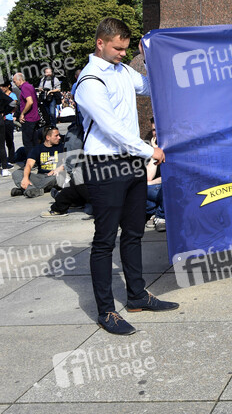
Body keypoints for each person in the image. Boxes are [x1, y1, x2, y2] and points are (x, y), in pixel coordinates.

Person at [74, 17, 178, 335]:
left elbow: (149, 87)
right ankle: (106, 311)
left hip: (131, 163)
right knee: (104, 241)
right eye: (117, 49)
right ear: (100, 43)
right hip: (105, 165)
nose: (122, 54)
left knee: (133, 233)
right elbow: (112, 129)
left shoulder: (121, 71)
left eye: (125, 49)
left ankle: (136, 296)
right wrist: (150, 151)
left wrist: (151, 57)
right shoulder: (90, 81)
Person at [12, 126, 63, 198]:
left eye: (59, 135)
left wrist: (57, 169)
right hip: (40, 177)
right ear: (48, 137)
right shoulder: (37, 149)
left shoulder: (62, 147)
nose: (59, 137)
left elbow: (67, 163)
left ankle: (25, 189)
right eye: (56, 136)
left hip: (54, 176)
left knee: (56, 177)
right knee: (16, 173)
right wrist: (25, 178)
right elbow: (29, 164)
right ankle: (30, 189)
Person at [145, 117, 165, 232]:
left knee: (168, 185)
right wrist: (155, 151)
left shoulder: (174, 147)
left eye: (159, 129)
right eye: (153, 130)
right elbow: (147, 177)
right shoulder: (149, 148)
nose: (156, 132)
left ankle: (161, 216)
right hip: (155, 189)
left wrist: (152, 182)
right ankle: (157, 213)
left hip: (167, 188)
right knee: (138, 189)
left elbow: (170, 177)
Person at [13, 72, 40, 150]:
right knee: (34, 140)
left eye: (15, 81)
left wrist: (22, 113)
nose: (14, 84)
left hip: (29, 118)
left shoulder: (25, 87)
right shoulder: (30, 86)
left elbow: (30, 101)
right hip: (34, 117)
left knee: (28, 142)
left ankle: (30, 156)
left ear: (20, 80)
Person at [1, 83, 16, 166]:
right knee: (2, 142)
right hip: (2, 120)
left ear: (8, 86)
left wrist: (5, 112)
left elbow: (14, 104)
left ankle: (11, 158)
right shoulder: (2, 95)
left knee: (9, 140)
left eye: (3, 86)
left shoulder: (12, 95)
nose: (2, 88)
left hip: (8, 119)